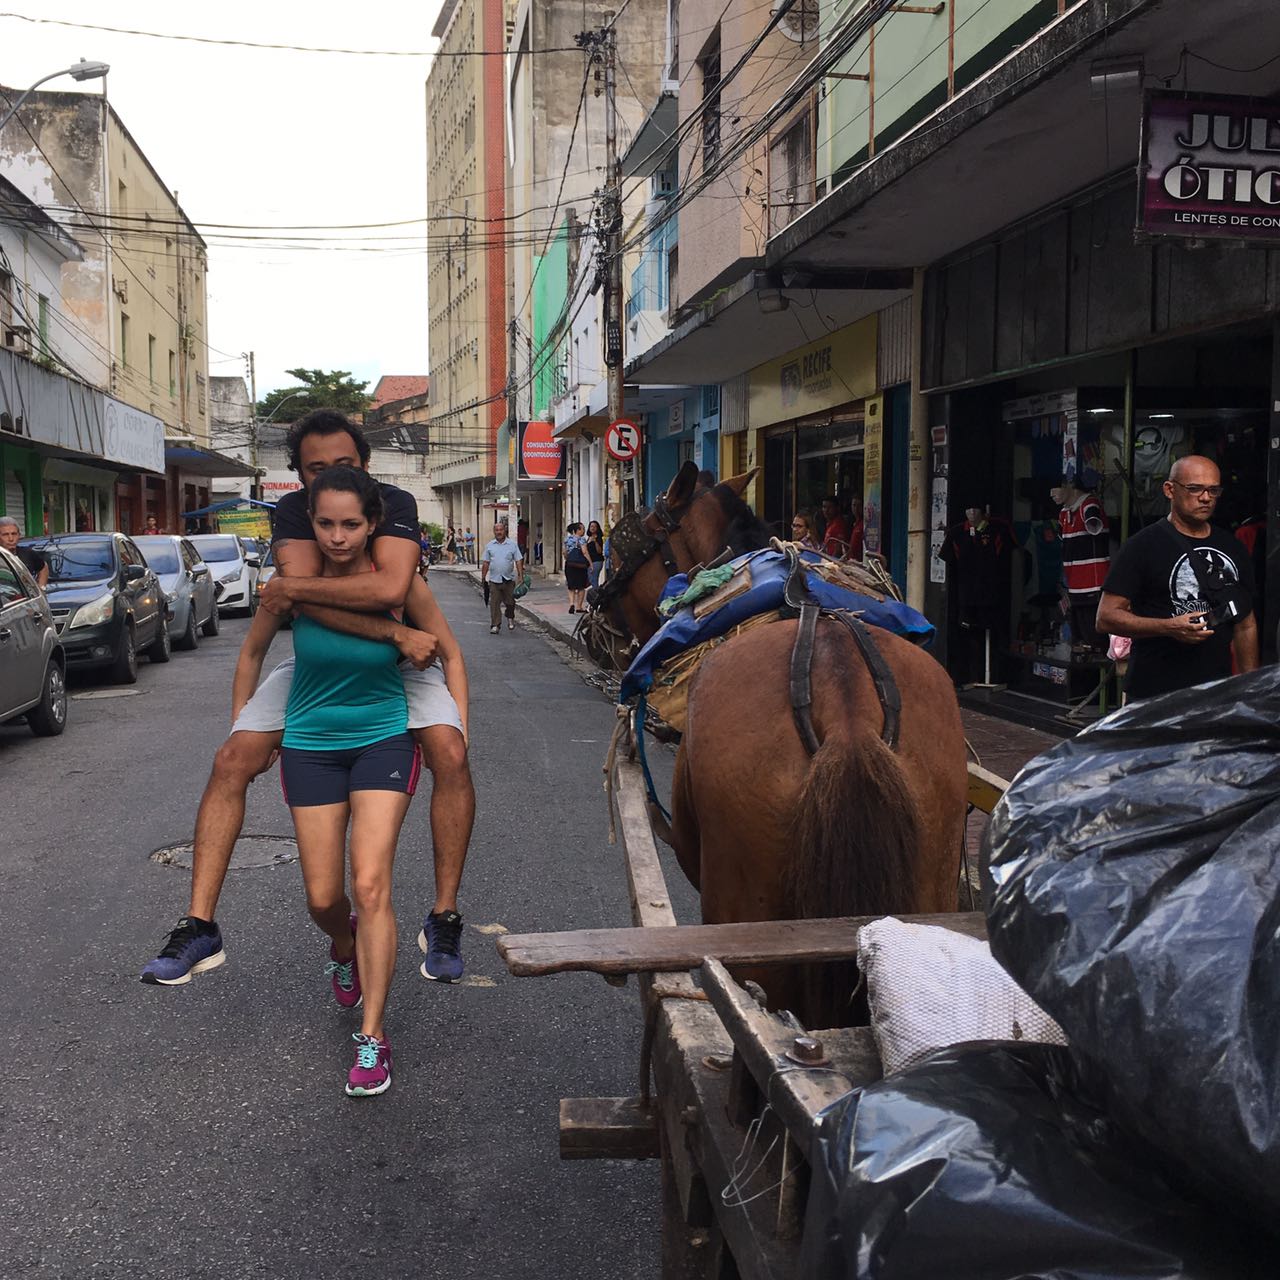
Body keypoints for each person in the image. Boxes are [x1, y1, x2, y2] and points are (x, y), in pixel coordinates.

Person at [141, 411, 475, 988]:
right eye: (315, 470)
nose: (329, 480)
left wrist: (303, 593)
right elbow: (304, 607)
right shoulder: (297, 510)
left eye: (342, 466)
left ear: (364, 470)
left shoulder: (395, 503)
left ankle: (444, 915)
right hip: (319, 663)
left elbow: (385, 590)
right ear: (298, 475)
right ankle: (200, 924)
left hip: (400, 664)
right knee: (230, 760)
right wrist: (245, 719)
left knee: (450, 752)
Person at [232, 467, 416, 1096]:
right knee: (322, 898)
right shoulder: (290, 589)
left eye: (352, 524)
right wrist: (242, 727)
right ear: (311, 522)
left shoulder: (393, 584)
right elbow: (252, 652)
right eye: (326, 523)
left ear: (372, 526)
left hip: (383, 738)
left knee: (370, 885)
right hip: (308, 744)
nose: (338, 537)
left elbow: (439, 641)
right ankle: (344, 947)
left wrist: (456, 727)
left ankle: (374, 1037)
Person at [1096, 455, 1259, 701]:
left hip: (1215, 693)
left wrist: (1250, 690)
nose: (1205, 498)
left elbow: (1245, 624)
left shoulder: (1232, 546)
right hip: (1155, 694)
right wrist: (1167, 627)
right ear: (1170, 490)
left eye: (1213, 490)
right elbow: (1106, 618)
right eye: (1194, 489)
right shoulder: (1142, 546)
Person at [481, 519, 523, 634]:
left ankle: (510, 617)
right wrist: (483, 577)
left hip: (508, 579)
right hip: (494, 579)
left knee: (510, 602)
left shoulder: (512, 545)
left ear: (505, 530)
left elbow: (518, 560)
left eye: (501, 530)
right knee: (494, 603)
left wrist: (520, 576)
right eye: (496, 530)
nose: (499, 532)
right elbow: (486, 562)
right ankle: (495, 625)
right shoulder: (489, 546)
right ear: (494, 532)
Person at [0, 516, 48, 587]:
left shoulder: (27, 553)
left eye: (14, 534)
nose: (11, 539)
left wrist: (42, 587)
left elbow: (43, 567)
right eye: (5, 535)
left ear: (19, 535)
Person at [564, 521, 590, 613]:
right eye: (582, 528)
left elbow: (565, 553)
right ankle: (579, 606)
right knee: (581, 586)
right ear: (578, 530)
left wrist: (569, 559)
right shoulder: (582, 539)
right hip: (580, 566)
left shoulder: (567, 539)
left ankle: (571, 604)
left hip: (569, 565)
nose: (584, 530)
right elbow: (584, 552)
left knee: (571, 586)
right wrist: (590, 563)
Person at [585, 520, 605, 590]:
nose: (593, 528)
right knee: (591, 579)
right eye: (591, 526)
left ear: (597, 528)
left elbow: (599, 551)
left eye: (595, 526)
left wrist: (595, 541)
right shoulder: (588, 538)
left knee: (593, 580)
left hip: (596, 561)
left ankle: (596, 595)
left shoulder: (598, 538)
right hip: (590, 562)